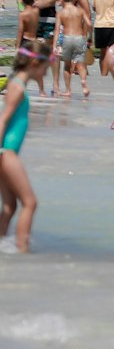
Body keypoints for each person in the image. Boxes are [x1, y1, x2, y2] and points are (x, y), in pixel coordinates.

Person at [0, 41, 51, 252]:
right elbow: (3, 120)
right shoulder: (17, 88)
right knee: (30, 203)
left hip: (5, 152)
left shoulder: (16, 84)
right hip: (6, 153)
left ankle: (3, 245)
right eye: (46, 67)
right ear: (34, 63)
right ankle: (23, 250)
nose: (46, 73)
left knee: (10, 206)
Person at [54, 0, 91, 98]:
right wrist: (88, 37)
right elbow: (89, 23)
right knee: (80, 62)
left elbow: (57, 30)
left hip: (67, 38)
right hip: (79, 38)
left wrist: (54, 45)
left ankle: (68, 90)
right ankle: (83, 81)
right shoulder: (80, 11)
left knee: (67, 66)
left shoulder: (61, 13)